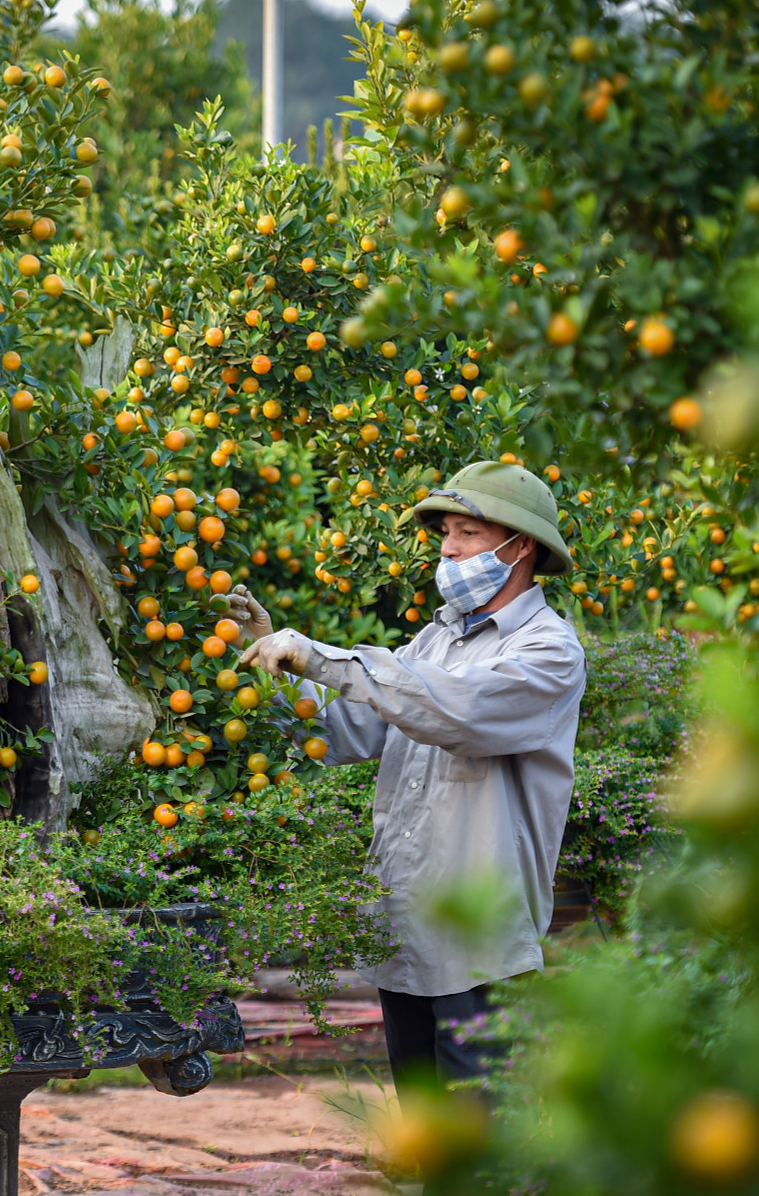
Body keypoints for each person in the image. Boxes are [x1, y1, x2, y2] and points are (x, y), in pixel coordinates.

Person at [230, 460, 586, 1086]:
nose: (448, 549)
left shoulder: (548, 651)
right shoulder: (435, 643)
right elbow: (343, 732)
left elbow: (456, 709)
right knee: (428, 1132)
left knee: (478, 1138)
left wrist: (322, 657)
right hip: (405, 928)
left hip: (480, 941)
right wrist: (274, 677)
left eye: (467, 535)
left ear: (520, 545)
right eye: (445, 533)